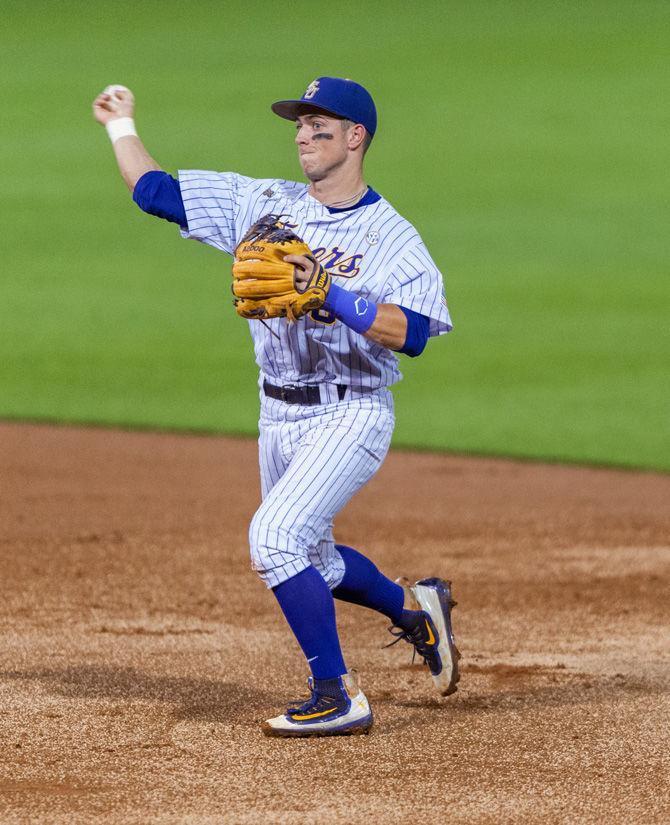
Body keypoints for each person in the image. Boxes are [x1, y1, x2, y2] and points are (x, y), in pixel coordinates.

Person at [93, 76, 459, 738]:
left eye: (320, 125)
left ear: (356, 138)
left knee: (273, 538)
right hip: (278, 416)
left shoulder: (390, 234)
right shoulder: (263, 203)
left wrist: (333, 295)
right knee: (312, 561)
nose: (302, 135)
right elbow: (156, 194)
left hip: (352, 411)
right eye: (298, 124)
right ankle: (415, 611)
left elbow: (418, 332)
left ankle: (336, 692)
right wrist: (121, 124)